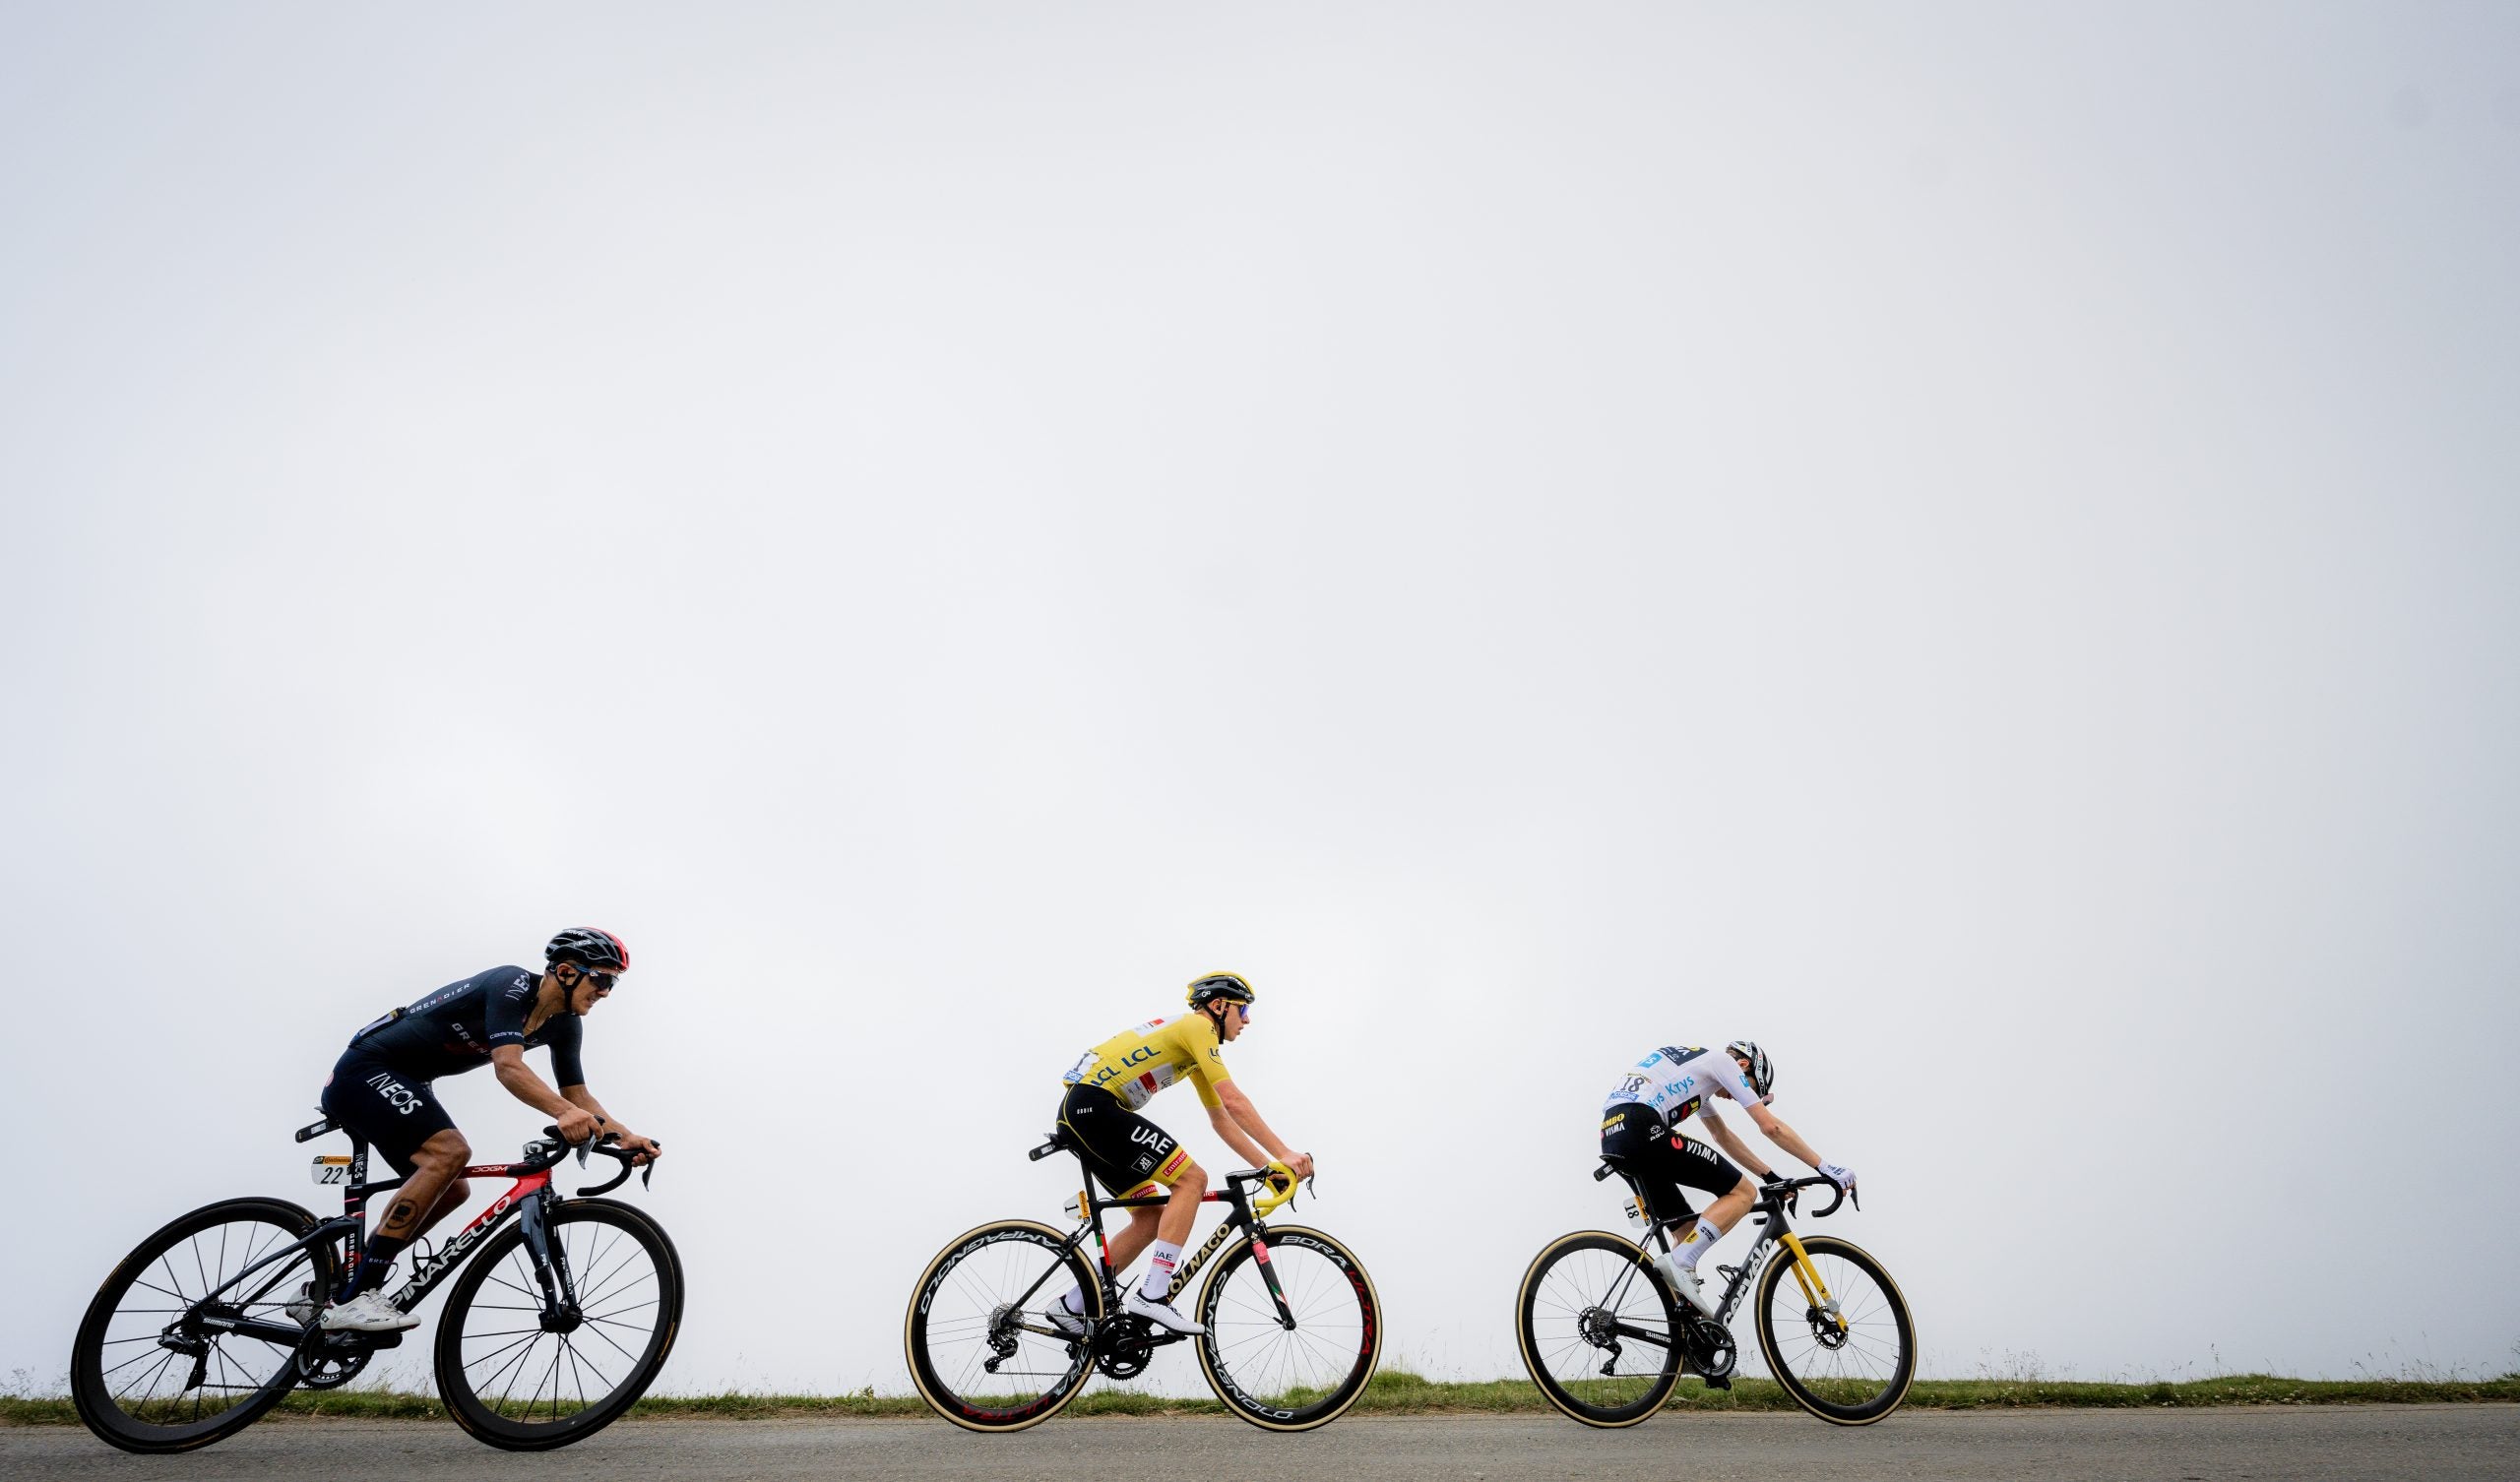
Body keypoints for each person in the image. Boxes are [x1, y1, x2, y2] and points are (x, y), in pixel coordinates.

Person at [307, 928, 662, 1332]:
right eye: (601, 978)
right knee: (448, 1154)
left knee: (453, 1187)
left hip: (410, 1080)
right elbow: (508, 1067)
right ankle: (359, 1297)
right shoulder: (510, 985)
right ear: (565, 972)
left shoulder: (564, 1025)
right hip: (365, 1069)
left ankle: (340, 1288)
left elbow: (578, 1095)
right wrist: (564, 1113)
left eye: (612, 983)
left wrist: (623, 1135)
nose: (605, 992)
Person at [1045, 972, 1313, 1336]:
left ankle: (1070, 1304)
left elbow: (1221, 1119)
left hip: (1084, 1113)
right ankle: (1153, 1295)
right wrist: (1285, 1152)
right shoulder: (1198, 1029)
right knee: (1192, 1180)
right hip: (1095, 1108)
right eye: (1244, 1009)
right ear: (1219, 1006)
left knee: (1150, 1217)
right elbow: (1234, 1101)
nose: (1247, 1020)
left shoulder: (1193, 1048)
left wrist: (1267, 1168)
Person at [1598, 1040, 1855, 1320]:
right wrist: (1826, 1167)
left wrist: (1769, 1175)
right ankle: (1682, 1261)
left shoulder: (1697, 1072)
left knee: (1687, 1232)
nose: (1736, 1096)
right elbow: (1771, 1126)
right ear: (1743, 1065)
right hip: (1641, 1125)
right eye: (1753, 1088)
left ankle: (1686, 1331)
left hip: (1613, 1135)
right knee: (1743, 1193)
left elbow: (1722, 1136)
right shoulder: (1723, 1062)